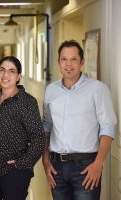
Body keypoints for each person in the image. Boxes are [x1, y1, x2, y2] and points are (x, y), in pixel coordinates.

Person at [42, 40, 117, 200]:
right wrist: (46, 161)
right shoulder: (51, 90)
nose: (68, 64)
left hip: (86, 166)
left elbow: (108, 128)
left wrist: (98, 163)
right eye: (64, 59)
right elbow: (46, 127)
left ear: (82, 62)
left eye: (73, 59)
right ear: (58, 62)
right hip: (57, 166)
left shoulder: (98, 89)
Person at [0, 56, 45, 200]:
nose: (5, 75)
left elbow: (38, 138)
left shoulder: (26, 102)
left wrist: (21, 164)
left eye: (11, 71)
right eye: (2, 70)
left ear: (18, 76)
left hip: (14, 173)